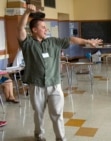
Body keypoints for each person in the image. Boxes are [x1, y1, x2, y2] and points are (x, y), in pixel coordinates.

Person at [17, 4, 103, 141]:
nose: (46, 29)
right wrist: (27, 12)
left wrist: (87, 41)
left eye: (45, 27)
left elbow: (71, 39)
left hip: (54, 85)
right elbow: (20, 28)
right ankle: (39, 136)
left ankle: (61, 138)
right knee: (38, 114)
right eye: (43, 27)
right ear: (34, 30)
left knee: (57, 114)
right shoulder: (28, 44)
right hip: (37, 85)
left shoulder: (53, 42)